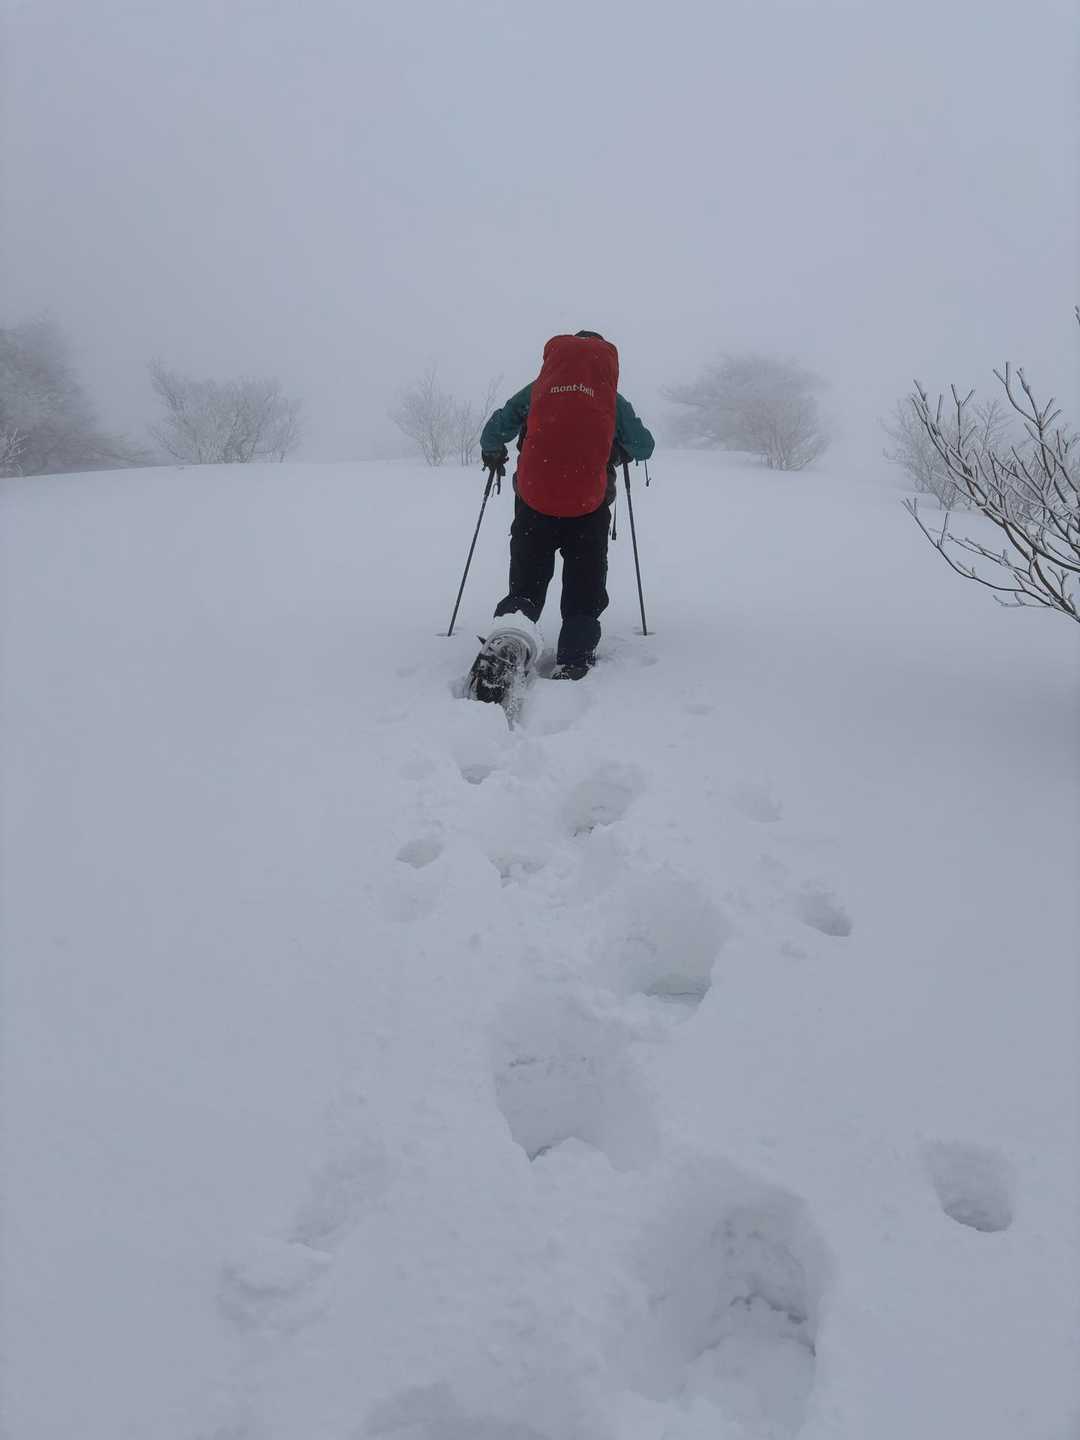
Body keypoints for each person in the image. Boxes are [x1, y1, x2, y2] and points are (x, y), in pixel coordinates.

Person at [478, 330, 654, 681]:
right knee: (584, 583)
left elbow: (494, 431)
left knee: (527, 582)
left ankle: (512, 637)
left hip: (534, 502)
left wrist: (493, 452)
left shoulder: (537, 390)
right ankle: (575, 654)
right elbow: (644, 445)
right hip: (589, 506)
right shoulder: (611, 399)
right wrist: (617, 451)